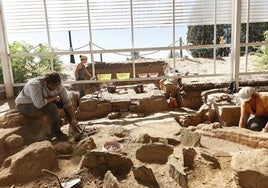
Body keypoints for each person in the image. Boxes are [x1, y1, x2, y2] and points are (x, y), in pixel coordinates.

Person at [15, 72, 79, 140]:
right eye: (53, 87)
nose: (55, 88)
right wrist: (54, 98)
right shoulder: (34, 84)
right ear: (46, 82)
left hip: (41, 102)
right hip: (25, 105)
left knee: (62, 102)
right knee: (52, 107)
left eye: (56, 86)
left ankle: (72, 125)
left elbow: (67, 102)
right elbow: (39, 104)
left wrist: (73, 118)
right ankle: (56, 132)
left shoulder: (59, 86)